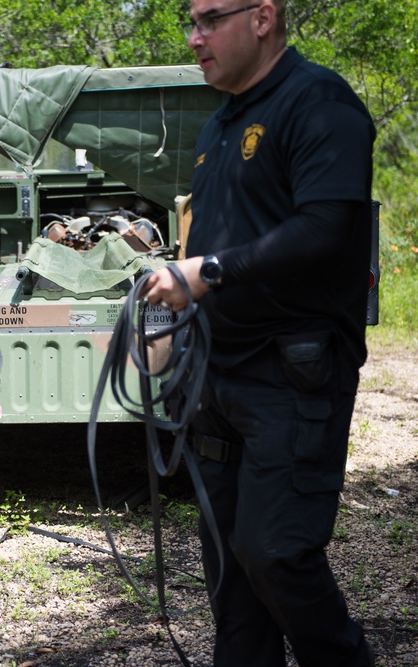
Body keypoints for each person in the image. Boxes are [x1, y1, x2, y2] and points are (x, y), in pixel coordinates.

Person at [141, 1, 376, 665]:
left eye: (210, 19)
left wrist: (208, 271)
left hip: (291, 375)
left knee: (275, 554)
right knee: (231, 578)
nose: (194, 38)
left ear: (263, 16)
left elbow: (323, 227)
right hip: (217, 378)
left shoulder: (318, 102)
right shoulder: (219, 122)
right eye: (189, 22)